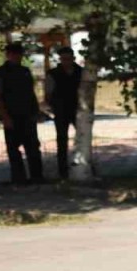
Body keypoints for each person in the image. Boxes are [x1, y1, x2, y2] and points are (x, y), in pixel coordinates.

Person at [0, 43, 44, 184]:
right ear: (8, 55)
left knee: (33, 148)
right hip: (11, 115)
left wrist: (36, 111)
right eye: (13, 54)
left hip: (28, 114)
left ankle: (37, 177)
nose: (16, 57)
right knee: (13, 150)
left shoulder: (25, 71)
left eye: (18, 54)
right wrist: (5, 116)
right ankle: (19, 178)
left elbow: (31, 93)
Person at [44, 47, 83, 179]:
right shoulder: (53, 73)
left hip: (78, 110)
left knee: (82, 137)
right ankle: (62, 170)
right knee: (62, 140)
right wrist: (52, 107)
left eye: (69, 58)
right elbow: (48, 93)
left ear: (73, 58)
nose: (66, 61)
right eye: (63, 59)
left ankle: (83, 164)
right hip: (60, 110)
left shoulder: (81, 72)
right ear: (60, 59)